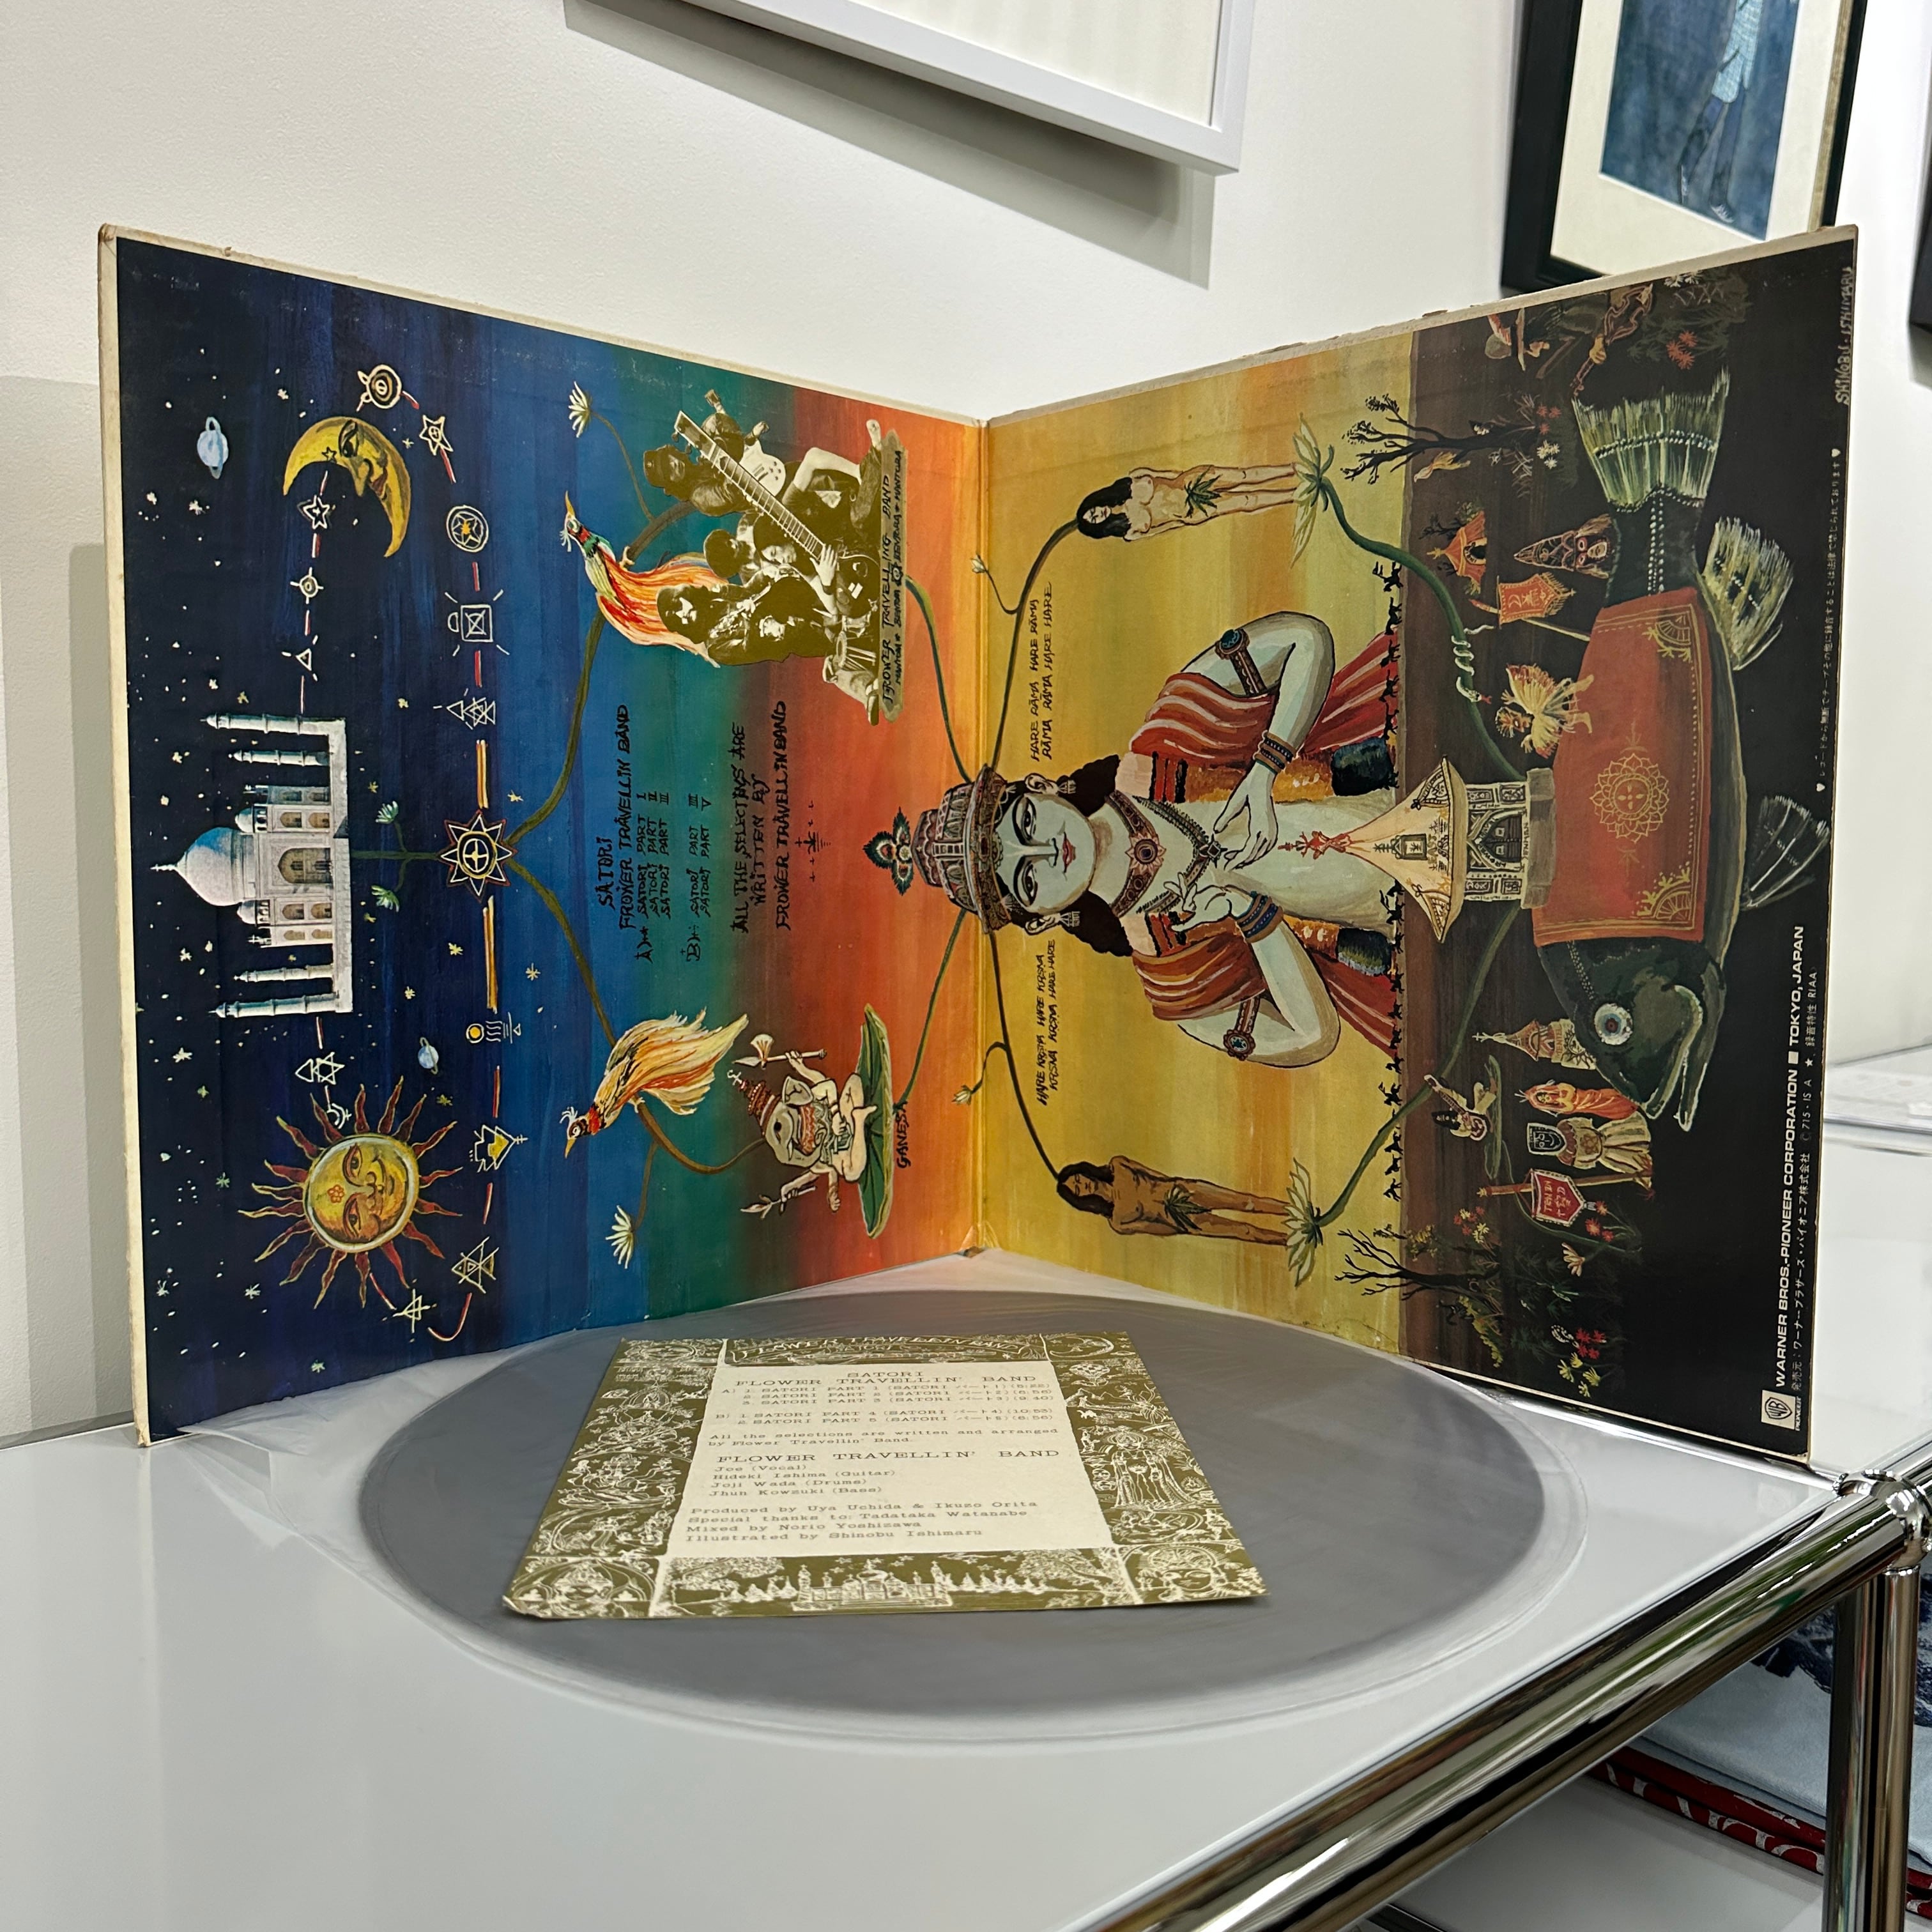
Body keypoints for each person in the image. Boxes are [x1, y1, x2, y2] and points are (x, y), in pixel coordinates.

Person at [905, 611, 1404, 1068]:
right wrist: (1250, 915)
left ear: (1039, 787)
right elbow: (1313, 1036)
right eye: (1028, 879)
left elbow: (1305, 639)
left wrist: (1265, 770)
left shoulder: (1168, 734)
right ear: (1040, 919)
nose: (1047, 851)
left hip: (1402, 775)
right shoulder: (1175, 979)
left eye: (1029, 824)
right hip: (1403, 917)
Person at [1057, 1156, 1296, 1245]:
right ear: (1081, 1199)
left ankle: (1295, 1211)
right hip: (1182, 1220)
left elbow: (1154, 1174)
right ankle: (1288, 1240)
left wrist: (1178, 1186)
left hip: (1183, 1190)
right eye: (1078, 1189)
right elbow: (1154, 1228)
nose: (1083, 1185)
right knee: (1243, 1231)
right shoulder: (1117, 1220)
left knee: (1246, 1202)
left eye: (1078, 1179)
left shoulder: (1118, 1166)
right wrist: (1182, 1226)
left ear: (1083, 1171)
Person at [1075, 463, 1304, 542]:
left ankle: (1292, 469)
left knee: (1242, 476)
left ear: (1096, 501)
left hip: (1189, 482)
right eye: (1095, 519)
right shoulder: (1129, 533)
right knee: (1245, 501)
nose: (1099, 514)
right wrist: (1186, 521)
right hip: (1192, 512)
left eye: (1094, 510)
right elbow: (1164, 528)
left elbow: (1164, 474)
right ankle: (1293, 495)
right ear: (1099, 527)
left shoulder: (1129, 480)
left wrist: (1184, 477)